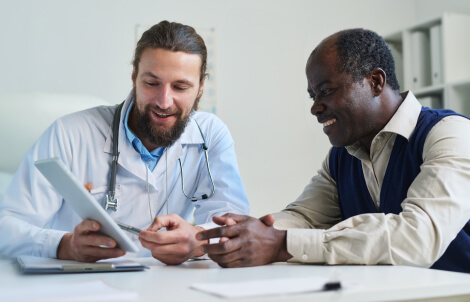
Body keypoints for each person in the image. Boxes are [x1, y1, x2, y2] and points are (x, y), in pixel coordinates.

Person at [197, 28, 470, 273]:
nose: (315, 107)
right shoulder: (342, 155)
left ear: (375, 81)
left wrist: (282, 244)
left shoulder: (450, 134)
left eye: (325, 91)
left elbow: (417, 237)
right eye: (313, 96)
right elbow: (304, 217)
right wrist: (230, 235)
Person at [0, 20, 249, 264]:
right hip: (81, 285)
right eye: (152, 83)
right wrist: (63, 245)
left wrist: (198, 241)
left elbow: (235, 227)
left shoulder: (211, 135)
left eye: (180, 87)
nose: (164, 101)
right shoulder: (70, 133)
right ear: (134, 76)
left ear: (201, 86)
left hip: (167, 286)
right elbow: (6, 228)